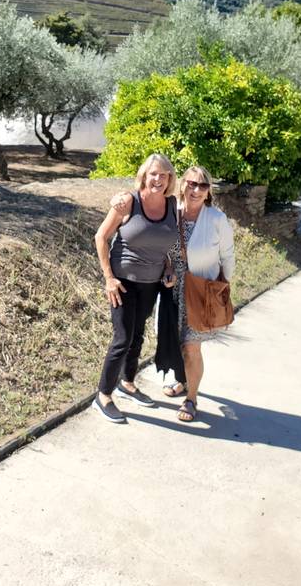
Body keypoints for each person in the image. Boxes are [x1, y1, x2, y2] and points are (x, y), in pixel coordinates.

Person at [93, 154, 178, 423]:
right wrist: (109, 278)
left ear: (169, 178)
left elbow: (163, 244)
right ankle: (103, 395)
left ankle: (127, 383)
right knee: (123, 338)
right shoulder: (129, 201)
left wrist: (168, 267)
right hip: (123, 282)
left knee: (138, 335)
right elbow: (101, 236)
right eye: (153, 174)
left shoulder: (172, 205)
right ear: (144, 175)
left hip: (151, 283)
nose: (158, 179)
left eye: (163, 174)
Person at [163, 165, 235, 422]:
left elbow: (228, 256)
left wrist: (222, 290)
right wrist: (168, 269)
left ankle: (191, 398)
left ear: (208, 191)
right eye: (191, 183)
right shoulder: (171, 212)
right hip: (172, 290)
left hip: (202, 292)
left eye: (202, 185)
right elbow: (162, 247)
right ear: (182, 184)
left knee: (192, 347)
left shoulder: (216, 218)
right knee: (176, 343)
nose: (196, 190)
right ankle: (183, 381)